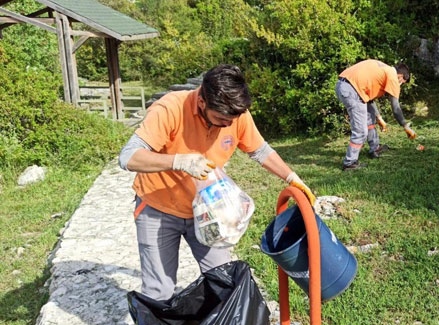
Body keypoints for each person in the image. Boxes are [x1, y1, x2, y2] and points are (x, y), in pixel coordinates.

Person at [118, 64, 315, 301]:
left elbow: (260, 150)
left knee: (223, 279)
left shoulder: (235, 115)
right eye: (221, 119)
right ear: (202, 101)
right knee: (159, 290)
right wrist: (178, 161)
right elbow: (128, 157)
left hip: (208, 211)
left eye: (232, 120)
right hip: (158, 209)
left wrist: (291, 177)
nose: (228, 125)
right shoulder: (170, 109)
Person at [335, 59, 417, 171]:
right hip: (351, 90)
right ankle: (349, 163)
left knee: (369, 118)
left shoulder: (383, 69)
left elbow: (369, 99)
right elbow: (396, 108)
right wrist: (406, 127)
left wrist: (379, 118)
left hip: (347, 86)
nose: (400, 85)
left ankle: (375, 148)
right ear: (400, 76)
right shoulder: (392, 76)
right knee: (361, 131)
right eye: (402, 82)